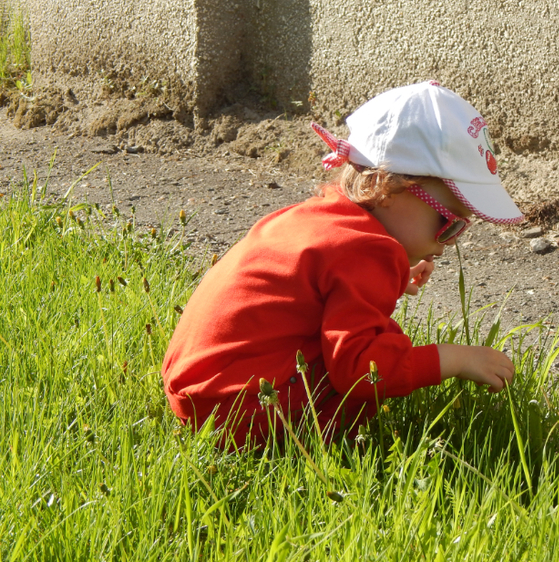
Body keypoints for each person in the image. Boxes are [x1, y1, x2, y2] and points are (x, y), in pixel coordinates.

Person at [161, 81, 524, 448]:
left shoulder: (319, 218)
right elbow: (358, 370)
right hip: (244, 412)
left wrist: (392, 277)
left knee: (378, 334)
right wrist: (453, 358)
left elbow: (314, 290)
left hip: (200, 389)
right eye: (450, 223)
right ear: (389, 187)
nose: (450, 243)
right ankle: (323, 445)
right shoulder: (368, 251)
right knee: (381, 349)